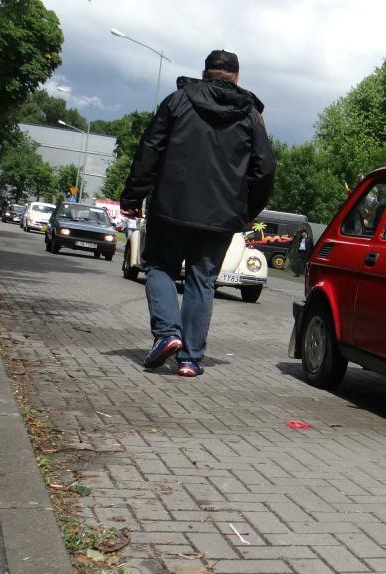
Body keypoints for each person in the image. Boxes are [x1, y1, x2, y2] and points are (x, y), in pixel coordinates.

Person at [120, 49, 276, 378]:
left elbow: (150, 148)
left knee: (159, 266)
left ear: (205, 72)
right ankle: (190, 360)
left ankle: (167, 333)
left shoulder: (177, 101)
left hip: (171, 207)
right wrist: (248, 211)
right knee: (202, 281)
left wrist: (133, 196)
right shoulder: (250, 115)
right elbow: (264, 169)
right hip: (221, 215)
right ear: (237, 77)